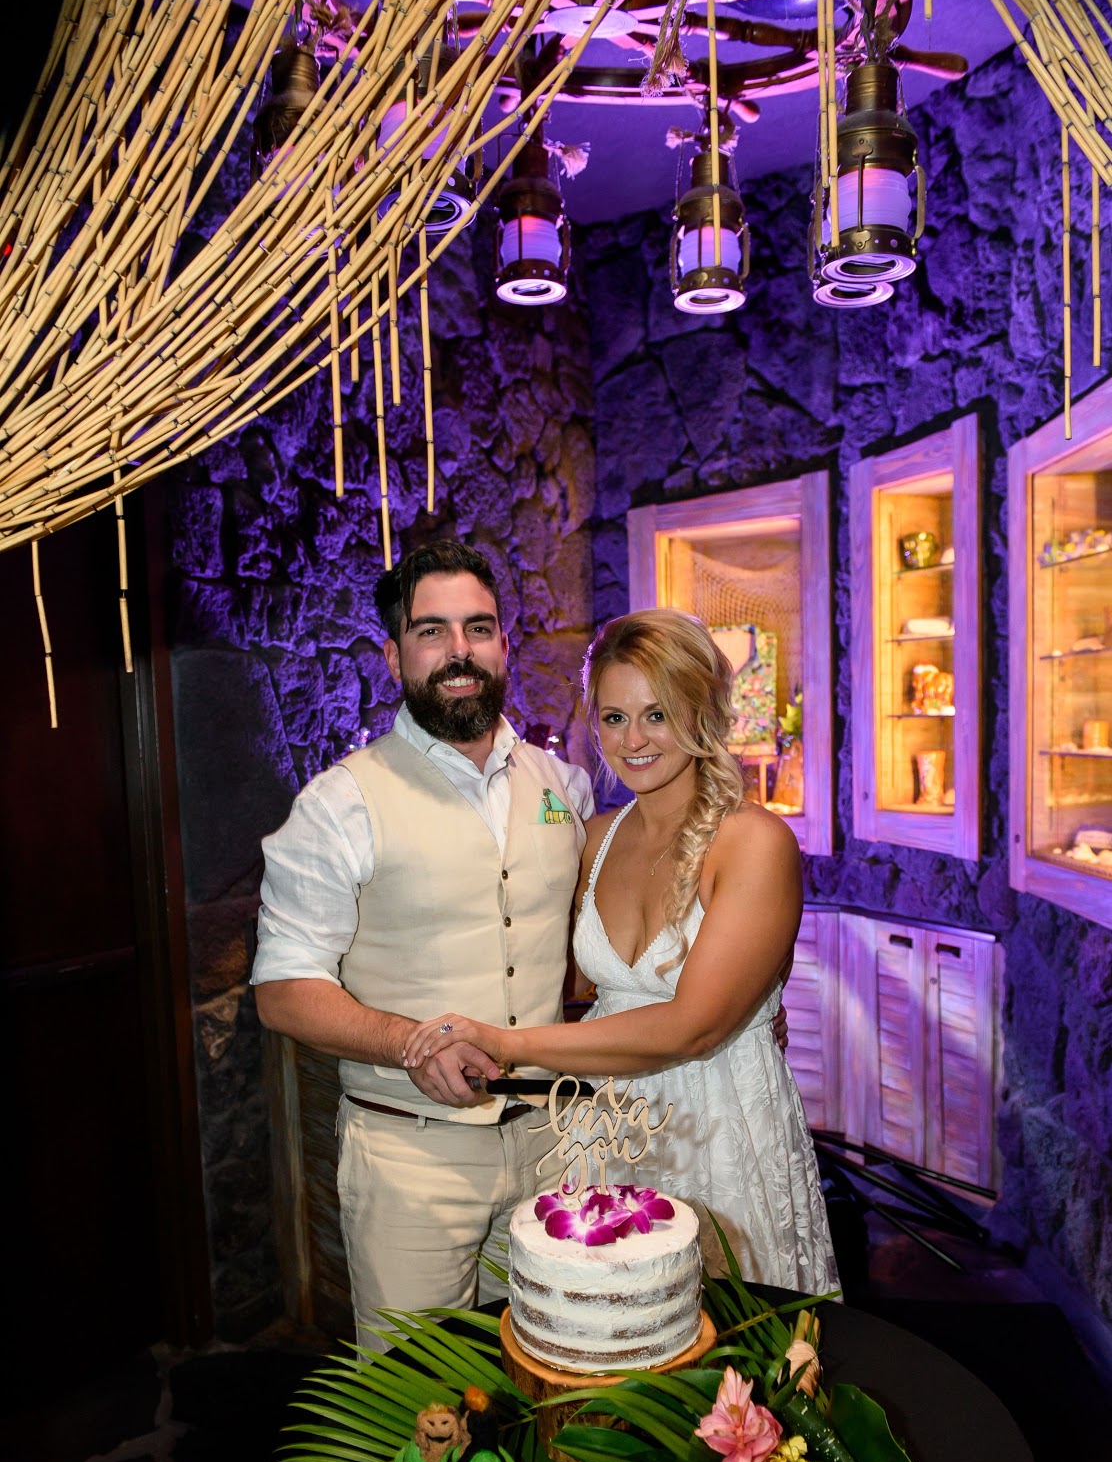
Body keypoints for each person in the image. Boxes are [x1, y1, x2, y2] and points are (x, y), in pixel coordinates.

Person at [403, 608, 839, 1295]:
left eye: (656, 715)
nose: (632, 740)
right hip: (606, 1127)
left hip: (719, 1124)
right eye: (613, 717)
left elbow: (694, 1027)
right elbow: (550, 972)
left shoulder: (754, 842)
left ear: (700, 711)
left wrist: (504, 1043)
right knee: (607, 1328)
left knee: (724, 1333)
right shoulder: (595, 841)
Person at [252, 540, 594, 1341]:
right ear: (393, 654)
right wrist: (409, 1041)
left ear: (503, 643)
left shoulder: (563, 786)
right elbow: (283, 990)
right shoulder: (339, 805)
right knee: (417, 1394)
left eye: (479, 627)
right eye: (431, 631)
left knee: (555, 1368)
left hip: (554, 1144)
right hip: (411, 1158)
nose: (459, 650)